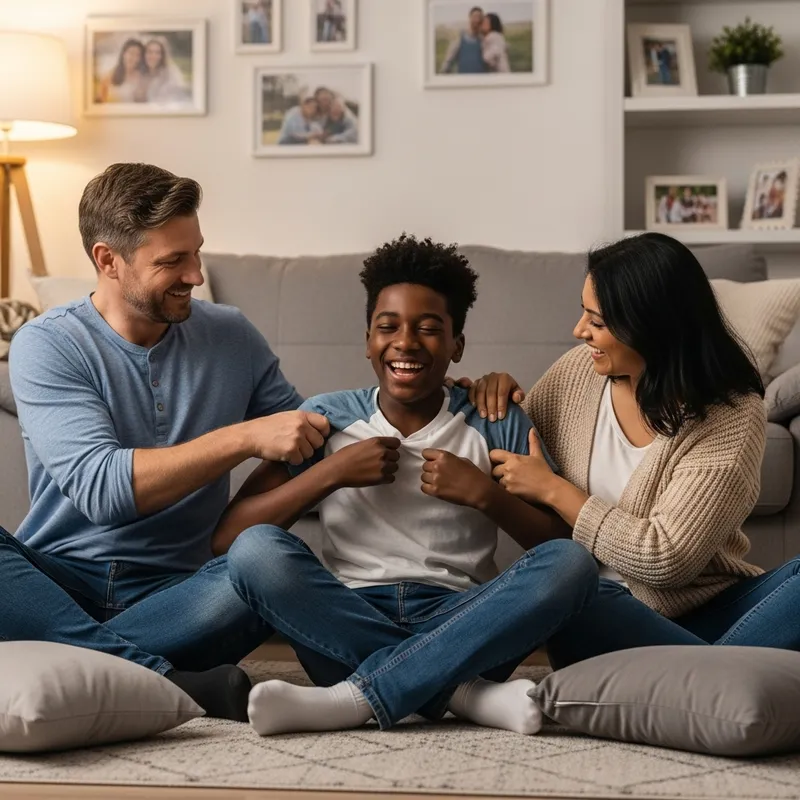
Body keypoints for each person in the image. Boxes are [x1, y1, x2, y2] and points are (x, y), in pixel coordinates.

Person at [213, 234, 599, 736]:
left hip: (465, 622)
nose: (406, 342)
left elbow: (563, 547)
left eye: (429, 328)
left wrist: (486, 496)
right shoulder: (327, 418)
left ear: (458, 344)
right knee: (257, 551)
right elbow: (229, 541)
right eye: (387, 326)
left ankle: (354, 699)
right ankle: (461, 693)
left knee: (572, 566)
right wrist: (330, 473)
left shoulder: (494, 421)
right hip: (345, 618)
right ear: (367, 340)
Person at [6, 162, 330, 720]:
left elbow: (308, 438)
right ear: (108, 260)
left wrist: (440, 393)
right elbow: (105, 492)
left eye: (196, 252)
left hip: (184, 596)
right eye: (172, 261)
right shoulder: (47, 345)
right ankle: (167, 679)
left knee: (274, 562)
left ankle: (85, 664)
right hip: (57, 585)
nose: (196, 275)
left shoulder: (231, 334)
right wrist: (244, 437)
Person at [467, 232, 800, 667]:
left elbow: (668, 559)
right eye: (584, 313)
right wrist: (482, 393)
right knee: (577, 599)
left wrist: (555, 491)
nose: (578, 330)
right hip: (605, 614)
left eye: (597, 322)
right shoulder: (577, 374)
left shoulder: (731, 414)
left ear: (651, 326)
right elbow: (506, 439)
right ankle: (725, 675)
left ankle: (700, 677)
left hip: (710, 612)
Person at [141, 37, 191, 104]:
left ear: (162, 55)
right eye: (149, 52)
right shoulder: (142, 74)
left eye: (157, 53)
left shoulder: (170, 74)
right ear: (144, 54)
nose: (153, 56)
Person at [440, 6, 487, 75]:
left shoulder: (483, 41)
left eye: (479, 17)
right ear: (470, 18)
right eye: (475, 17)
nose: (477, 20)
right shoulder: (459, 39)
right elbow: (448, 62)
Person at [97, 38, 146, 104]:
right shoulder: (109, 76)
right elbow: (100, 101)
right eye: (131, 53)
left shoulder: (142, 77)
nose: (135, 58)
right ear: (123, 54)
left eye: (138, 55)